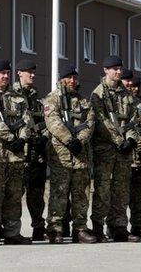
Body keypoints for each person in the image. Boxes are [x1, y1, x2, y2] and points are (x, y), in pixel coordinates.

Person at [0, 58, 33, 246]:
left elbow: (27, 119)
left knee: (14, 194)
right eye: (2, 73)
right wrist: (11, 139)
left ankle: (12, 231)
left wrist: (22, 138)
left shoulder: (17, 95)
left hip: (16, 155)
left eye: (8, 73)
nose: (5, 76)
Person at [89, 56, 141, 242]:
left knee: (121, 190)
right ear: (105, 70)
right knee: (103, 189)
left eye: (120, 69)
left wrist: (131, 140)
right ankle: (97, 227)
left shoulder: (126, 94)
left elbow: (133, 119)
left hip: (124, 151)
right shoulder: (98, 94)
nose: (118, 72)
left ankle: (119, 227)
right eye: (114, 69)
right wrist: (119, 141)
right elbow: (101, 121)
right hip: (106, 149)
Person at [44, 65, 96, 244]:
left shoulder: (83, 101)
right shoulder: (53, 99)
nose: (72, 81)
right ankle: (55, 229)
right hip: (61, 155)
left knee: (81, 194)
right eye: (69, 78)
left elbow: (90, 123)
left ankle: (80, 228)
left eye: (75, 78)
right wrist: (69, 139)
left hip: (80, 155)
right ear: (61, 79)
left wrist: (79, 140)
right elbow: (53, 122)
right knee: (59, 193)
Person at [16, 60, 49, 241]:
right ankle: (13, 229)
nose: (33, 75)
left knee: (36, 194)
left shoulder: (37, 99)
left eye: (33, 72)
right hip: (20, 152)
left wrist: (43, 136)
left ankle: (38, 227)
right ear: (20, 73)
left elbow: (45, 121)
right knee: (15, 194)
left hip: (37, 153)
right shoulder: (12, 96)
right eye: (29, 72)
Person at [124, 74, 141, 239]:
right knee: (121, 195)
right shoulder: (121, 104)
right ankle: (117, 226)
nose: (134, 89)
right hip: (126, 157)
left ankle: (138, 225)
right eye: (130, 86)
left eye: (136, 86)